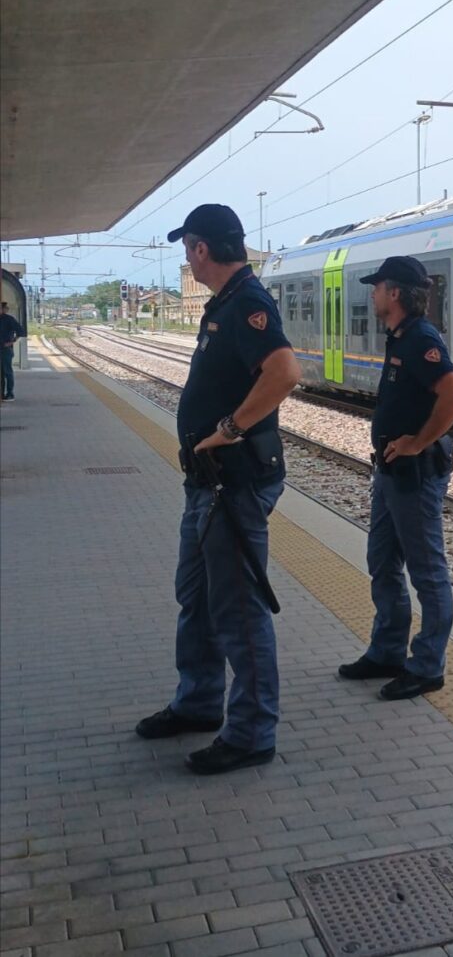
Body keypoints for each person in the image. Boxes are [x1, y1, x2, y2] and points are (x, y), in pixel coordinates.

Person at [136, 204, 300, 775]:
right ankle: (200, 701)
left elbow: (284, 372)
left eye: (188, 247)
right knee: (198, 598)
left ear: (201, 248)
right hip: (208, 484)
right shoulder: (227, 304)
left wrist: (229, 429)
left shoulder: (248, 303)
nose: (186, 256)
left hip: (235, 484)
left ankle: (253, 733)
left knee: (237, 609)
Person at [338, 256, 453, 700]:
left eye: (377, 287)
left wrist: (416, 441)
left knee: (427, 572)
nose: (372, 293)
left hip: (414, 473)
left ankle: (427, 666)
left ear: (394, 293)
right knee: (382, 560)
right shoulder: (399, 337)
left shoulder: (420, 338)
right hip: (391, 471)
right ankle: (388, 651)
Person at [0, 302, 24, 402]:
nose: (6, 310)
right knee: (1, 373)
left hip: (5, 349)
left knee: (7, 372)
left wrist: (11, 342)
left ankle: (10, 394)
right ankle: (2, 394)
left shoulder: (9, 319)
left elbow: (21, 331)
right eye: (5, 308)